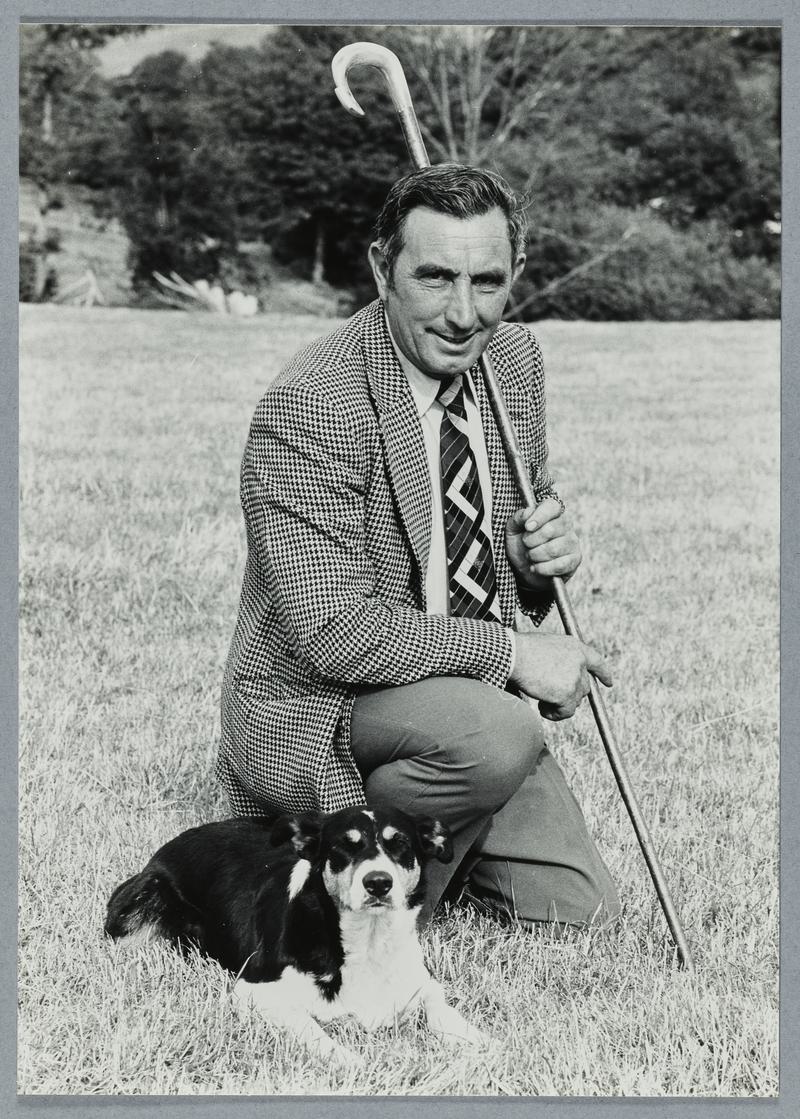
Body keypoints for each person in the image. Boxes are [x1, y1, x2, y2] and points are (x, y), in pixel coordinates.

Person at [218, 164, 620, 929]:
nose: (464, 314)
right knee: (500, 733)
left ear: (516, 272)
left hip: (453, 699)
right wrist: (515, 654)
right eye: (435, 277)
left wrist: (534, 568)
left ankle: (434, 820)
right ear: (383, 268)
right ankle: (343, 890)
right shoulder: (312, 405)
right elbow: (335, 633)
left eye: (487, 281)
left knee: (578, 909)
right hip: (324, 705)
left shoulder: (514, 361)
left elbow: (497, 545)